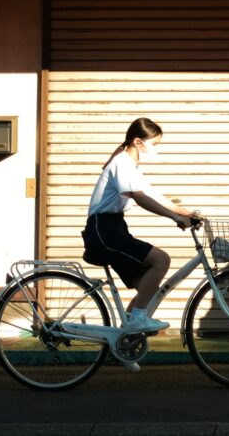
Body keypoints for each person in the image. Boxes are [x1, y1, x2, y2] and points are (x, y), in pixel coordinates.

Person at [81, 118, 194, 334]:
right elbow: (140, 198)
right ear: (137, 141)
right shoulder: (121, 163)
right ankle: (138, 319)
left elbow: (155, 196)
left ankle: (126, 336)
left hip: (113, 228)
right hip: (104, 230)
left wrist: (187, 213)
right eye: (154, 144)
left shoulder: (130, 166)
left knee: (146, 285)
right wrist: (173, 218)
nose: (155, 150)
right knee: (161, 260)